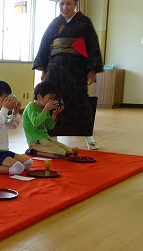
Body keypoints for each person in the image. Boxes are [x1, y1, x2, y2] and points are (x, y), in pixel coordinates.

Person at [32, 0, 103, 150]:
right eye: (62, 4)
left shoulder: (84, 23)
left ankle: (88, 136)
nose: (65, 7)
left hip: (76, 70)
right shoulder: (54, 23)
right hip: (54, 69)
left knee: (80, 102)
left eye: (69, 3)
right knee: (53, 101)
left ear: (75, 4)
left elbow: (92, 45)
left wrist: (91, 70)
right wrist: (43, 69)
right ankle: (52, 135)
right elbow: (45, 45)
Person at [23, 81, 72, 158]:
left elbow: (49, 127)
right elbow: (35, 123)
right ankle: (33, 151)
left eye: (53, 98)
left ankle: (40, 150)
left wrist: (54, 114)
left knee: (69, 151)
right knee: (61, 153)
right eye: (50, 98)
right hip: (35, 141)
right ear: (39, 97)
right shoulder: (30, 107)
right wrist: (45, 110)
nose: (52, 101)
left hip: (45, 138)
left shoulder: (44, 108)